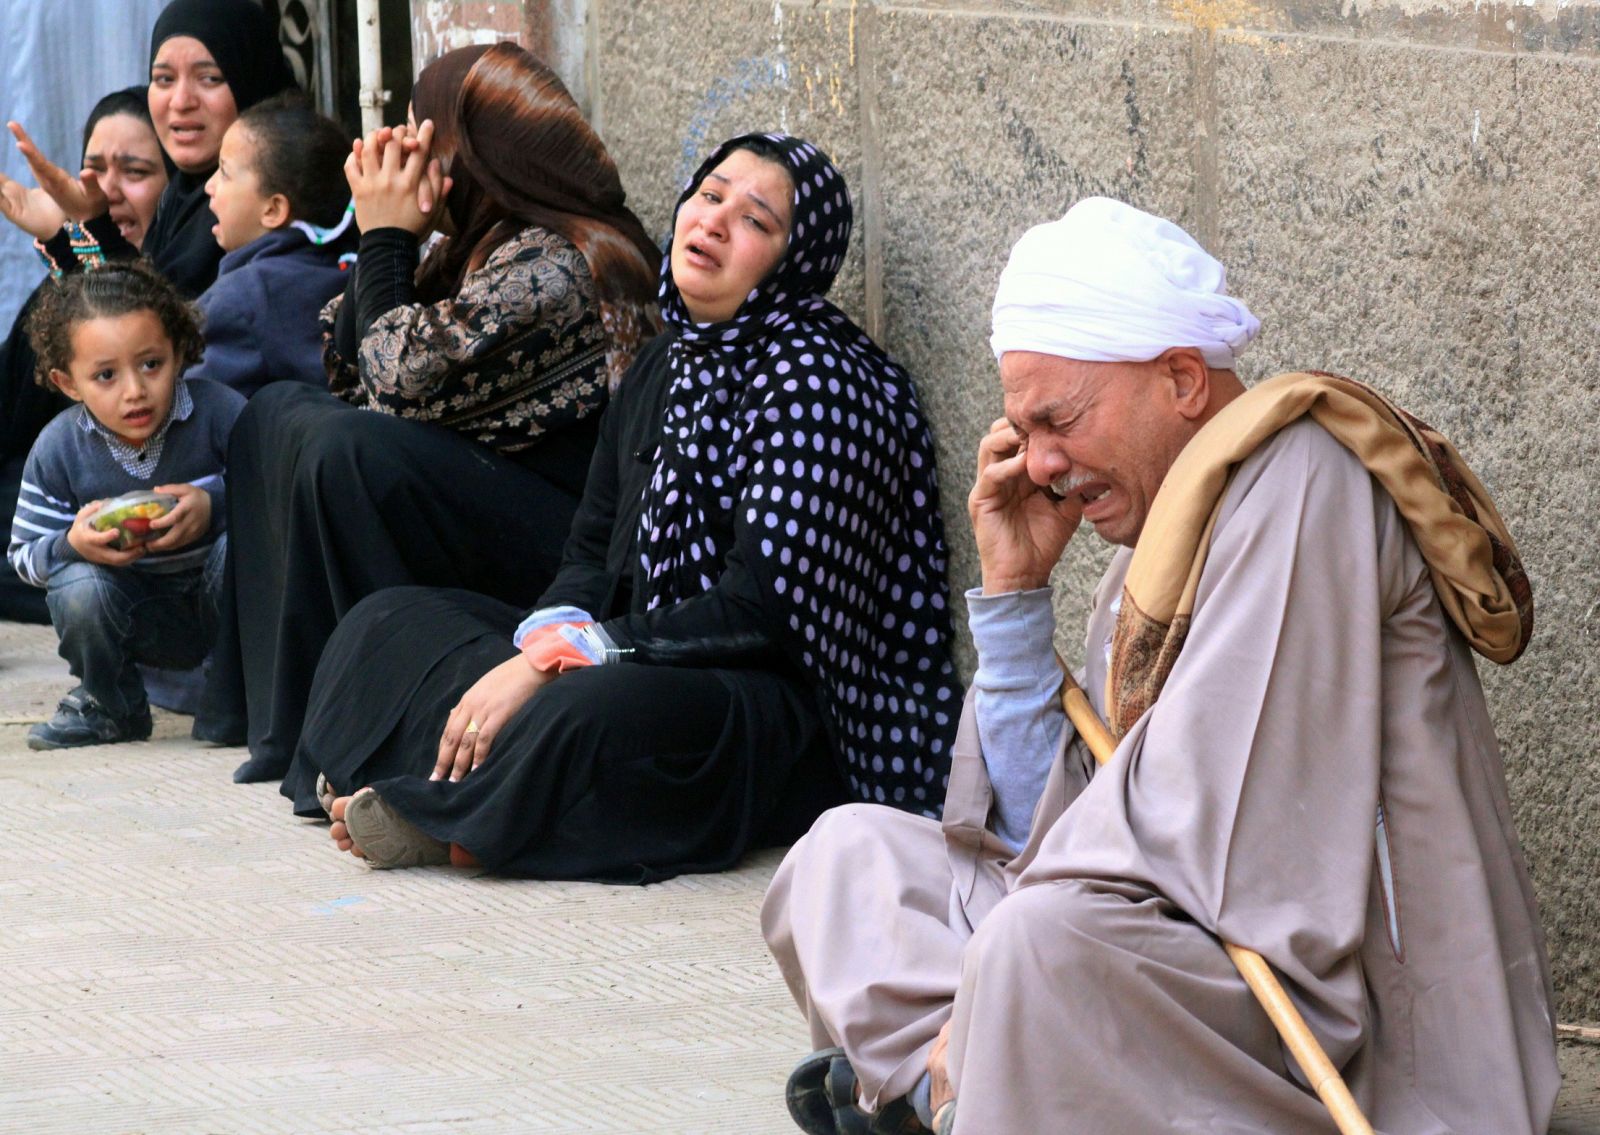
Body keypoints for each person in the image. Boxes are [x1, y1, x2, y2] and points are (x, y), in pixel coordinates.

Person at [762, 198, 1557, 1134]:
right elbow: (1037, 825)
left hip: (1338, 1009)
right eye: (1025, 433)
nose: (1044, 465)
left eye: (1058, 421)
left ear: (1181, 377)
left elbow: (1207, 829)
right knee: (842, 860)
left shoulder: (1305, 476)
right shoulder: (1162, 537)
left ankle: (941, 1086)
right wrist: (1015, 593)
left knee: (1030, 947)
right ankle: (961, 1087)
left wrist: (1004, 969)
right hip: (1181, 938)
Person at [304, 132, 965, 882]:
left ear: (794, 260)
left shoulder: (819, 381)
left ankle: (464, 821)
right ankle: (461, 791)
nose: (713, 222)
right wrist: (545, 644)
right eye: (710, 196)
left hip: (774, 708)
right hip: (640, 650)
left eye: (755, 221)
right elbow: (590, 552)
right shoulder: (664, 360)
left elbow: (757, 613)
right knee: (387, 624)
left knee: (592, 711)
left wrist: (574, 658)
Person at [195, 43, 661, 811]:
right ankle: (277, 724)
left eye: (423, 134)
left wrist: (383, 239)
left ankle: (358, 728)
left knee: (350, 450)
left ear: (469, 151)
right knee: (277, 414)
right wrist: (393, 240)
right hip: (492, 489)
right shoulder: (479, 240)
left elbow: (398, 382)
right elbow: (348, 366)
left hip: (571, 553)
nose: (404, 152)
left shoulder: (569, 260)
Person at [8, 261, 243, 749]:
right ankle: (111, 704)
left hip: (226, 605)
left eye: (151, 364)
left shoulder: (219, 413)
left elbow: (279, 498)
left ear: (179, 353)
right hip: (134, 613)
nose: (134, 391)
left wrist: (213, 504)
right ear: (69, 382)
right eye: (106, 375)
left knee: (244, 546)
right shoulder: (59, 448)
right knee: (76, 585)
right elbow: (25, 556)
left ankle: (240, 695)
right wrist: (73, 544)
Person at [0, 87, 171, 624]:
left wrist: (73, 247)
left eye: (136, 173)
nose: (104, 194)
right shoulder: (64, 285)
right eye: (91, 171)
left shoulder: (190, 284)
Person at [9, 0, 296, 299]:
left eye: (209, 78)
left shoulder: (264, 213)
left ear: (250, 81)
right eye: (164, 79)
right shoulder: (177, 201)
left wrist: (93, 224)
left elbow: (156, 333)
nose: (181, 101)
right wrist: (60, 233)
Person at [186, 92, 357, 397]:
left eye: (224, 173)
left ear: (273, 210)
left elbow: (197, 418)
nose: (209, 187)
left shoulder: (239, 301)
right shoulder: (353, 269)